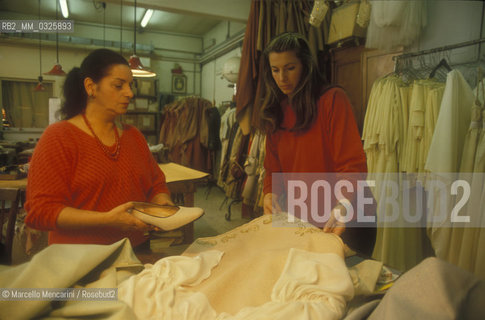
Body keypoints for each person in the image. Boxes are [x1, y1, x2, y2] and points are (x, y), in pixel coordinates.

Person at [24, 48, 174, 248]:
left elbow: (156, 184)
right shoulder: (59, 138)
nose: (129, 93)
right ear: (91, 87)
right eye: (119, 85)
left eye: (130, 85)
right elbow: (41, 211)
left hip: (134, 251)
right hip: (80, 258)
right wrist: (108, 220)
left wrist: (161, 202)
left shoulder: (134, 136)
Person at [260, 33, 376, 256]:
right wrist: (270, 194)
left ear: (305, 65)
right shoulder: (275, 112)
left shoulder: (332, 99)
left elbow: (352, 165)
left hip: (348, 216)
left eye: (290, 68)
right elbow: (273, 169)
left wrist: (343, 203)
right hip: (304, 219)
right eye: (275, 70)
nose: (282, 77)